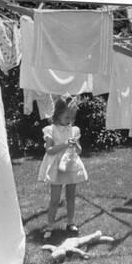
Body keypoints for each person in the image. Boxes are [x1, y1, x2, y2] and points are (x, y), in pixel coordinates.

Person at [38, 96, 88, 239]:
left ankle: (70, 222)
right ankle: (50, 225)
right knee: (54, 199)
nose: (69, 120)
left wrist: (75, 144)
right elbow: (49, 150)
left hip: (70, 164)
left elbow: (79, 151)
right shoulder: (51, 130)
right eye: (67, 117)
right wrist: (65, 144)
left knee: (71, 196)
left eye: (72, 117)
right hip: (56, 167)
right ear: (57, 114)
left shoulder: (74, 130)